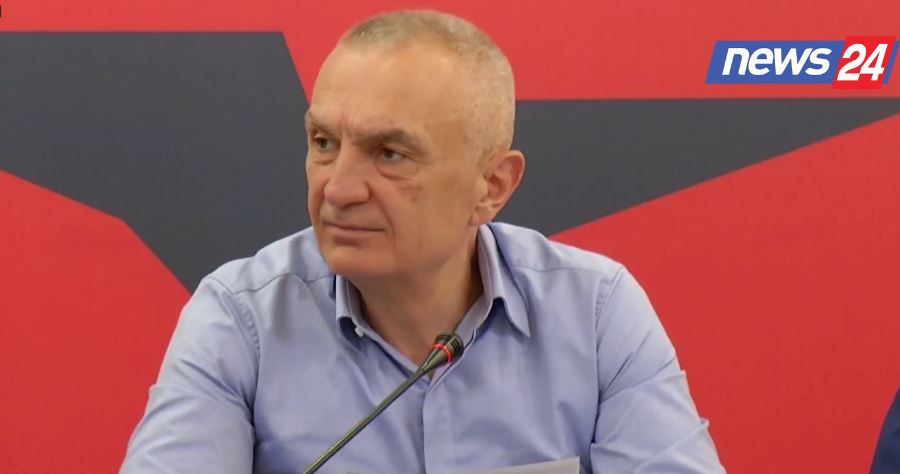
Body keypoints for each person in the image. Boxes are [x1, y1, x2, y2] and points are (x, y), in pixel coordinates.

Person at [121, 9, 724, 473]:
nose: (339, 189)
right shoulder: (241, 318)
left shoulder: (594, 311)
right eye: (324, 143)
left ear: (491, 186)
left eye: (390, 154)